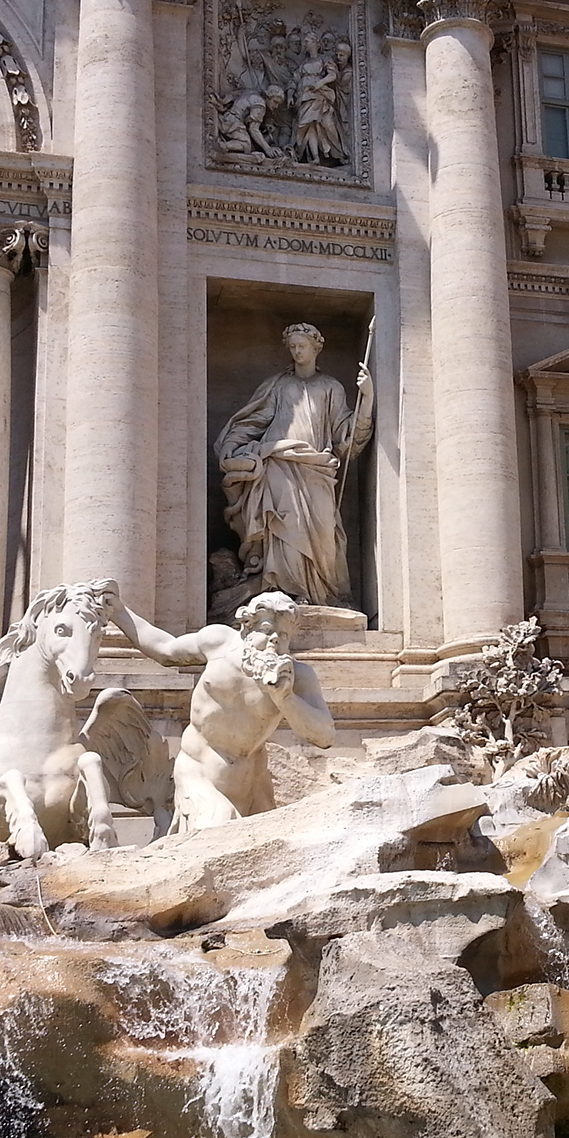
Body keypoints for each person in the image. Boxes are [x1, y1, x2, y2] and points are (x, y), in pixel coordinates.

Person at [113, 591, 337, 831]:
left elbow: (325, 736)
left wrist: (285, 698)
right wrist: (117, 611)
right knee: (215, 835)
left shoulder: (298, 677)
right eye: (266, 629)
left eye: (283, 634)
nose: (274, 639)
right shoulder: (218, 641)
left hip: (252, 783)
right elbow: (165, 650)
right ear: (246, 628)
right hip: (198, 773)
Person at [214, 322, 374, 609]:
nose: (297, 351)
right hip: (278, 463)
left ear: (316, 348)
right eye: (293, 347)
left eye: (303, 346)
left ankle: (324, 595)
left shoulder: (330, 387)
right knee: (283, 525)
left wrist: (368, 398)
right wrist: (231, 446)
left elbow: (346, 435)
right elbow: (253, 422)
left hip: (317, 468)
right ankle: (286, 591)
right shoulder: (278, 385)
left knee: (325, 531)